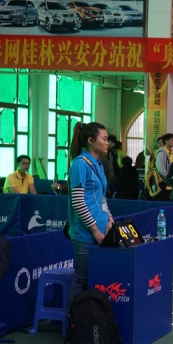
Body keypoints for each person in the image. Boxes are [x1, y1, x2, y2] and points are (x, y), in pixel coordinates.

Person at [67, 122, 114, 304]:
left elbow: (101, 198)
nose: (107, 143)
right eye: (104, 139)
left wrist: (109, 217)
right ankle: (72, 318)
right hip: (86, 234)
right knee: (81, 279)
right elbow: (78, 201)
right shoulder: (80, 164)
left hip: (103, 231)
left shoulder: (99, 164)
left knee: (96, 280)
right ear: (90, 140)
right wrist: (94, 229)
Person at [155, 133, 173, 200]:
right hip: (164, 184)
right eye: (172, 140)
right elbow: (161, 169)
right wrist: (168, 179)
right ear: (166, 141)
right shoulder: (161, 153)